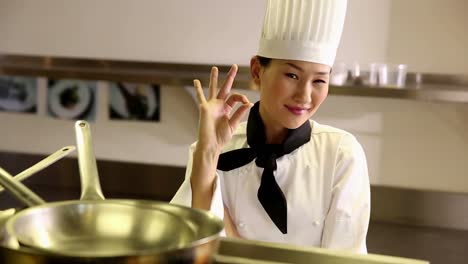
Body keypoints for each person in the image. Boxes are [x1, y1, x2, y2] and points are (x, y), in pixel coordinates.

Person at [171, 0, 370, 254]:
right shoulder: (212, 150)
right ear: (256, 71)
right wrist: (208, 154)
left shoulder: (342, 154)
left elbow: (345, 259)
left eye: (319, 80)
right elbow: (199, 250)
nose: (305, 96)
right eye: (292, 76)